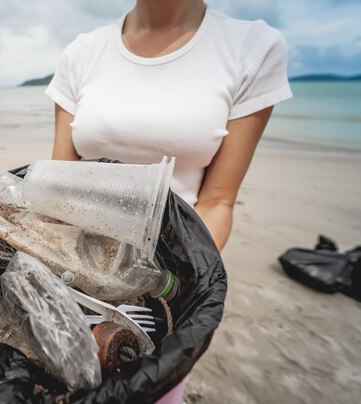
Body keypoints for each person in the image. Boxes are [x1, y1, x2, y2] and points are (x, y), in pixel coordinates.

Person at [45, 0, 292, 402]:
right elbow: (57, 187)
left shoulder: (252, 47)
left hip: (165, 281)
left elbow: (217, 200)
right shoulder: (81, 52)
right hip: (76, 273)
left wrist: (164, 294)